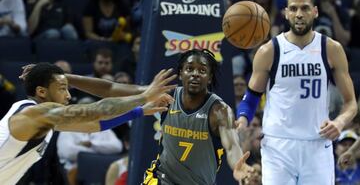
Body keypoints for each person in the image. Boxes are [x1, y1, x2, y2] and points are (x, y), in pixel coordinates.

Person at [235, 0, 358, 184]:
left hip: (317, 145)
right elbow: (251, 98)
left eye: (305, 8)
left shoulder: (331, 49)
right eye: (293, 9)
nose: (299, 14)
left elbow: (351, 102)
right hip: (278, 147)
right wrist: (242, 119)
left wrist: (340, 122)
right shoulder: (269, 51)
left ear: (315, 11)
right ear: (285, 13)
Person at [0, 63, 176, 184]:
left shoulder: (43, 119)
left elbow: (94, 124)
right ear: (41, 91)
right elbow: (97, 111)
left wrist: (140, 111)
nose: (68, 96)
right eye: (62, 89)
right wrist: (143, 96)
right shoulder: (34, 113)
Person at [142, 50, 253, 184]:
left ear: (210, 77)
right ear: (181, 73)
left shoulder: (219, 111)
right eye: (189, 69)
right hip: (161, 178)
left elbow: (231, 146)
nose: (195, 74)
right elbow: (134, 102)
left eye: (202, 70)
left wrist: (238, 165)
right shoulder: (167, 97)